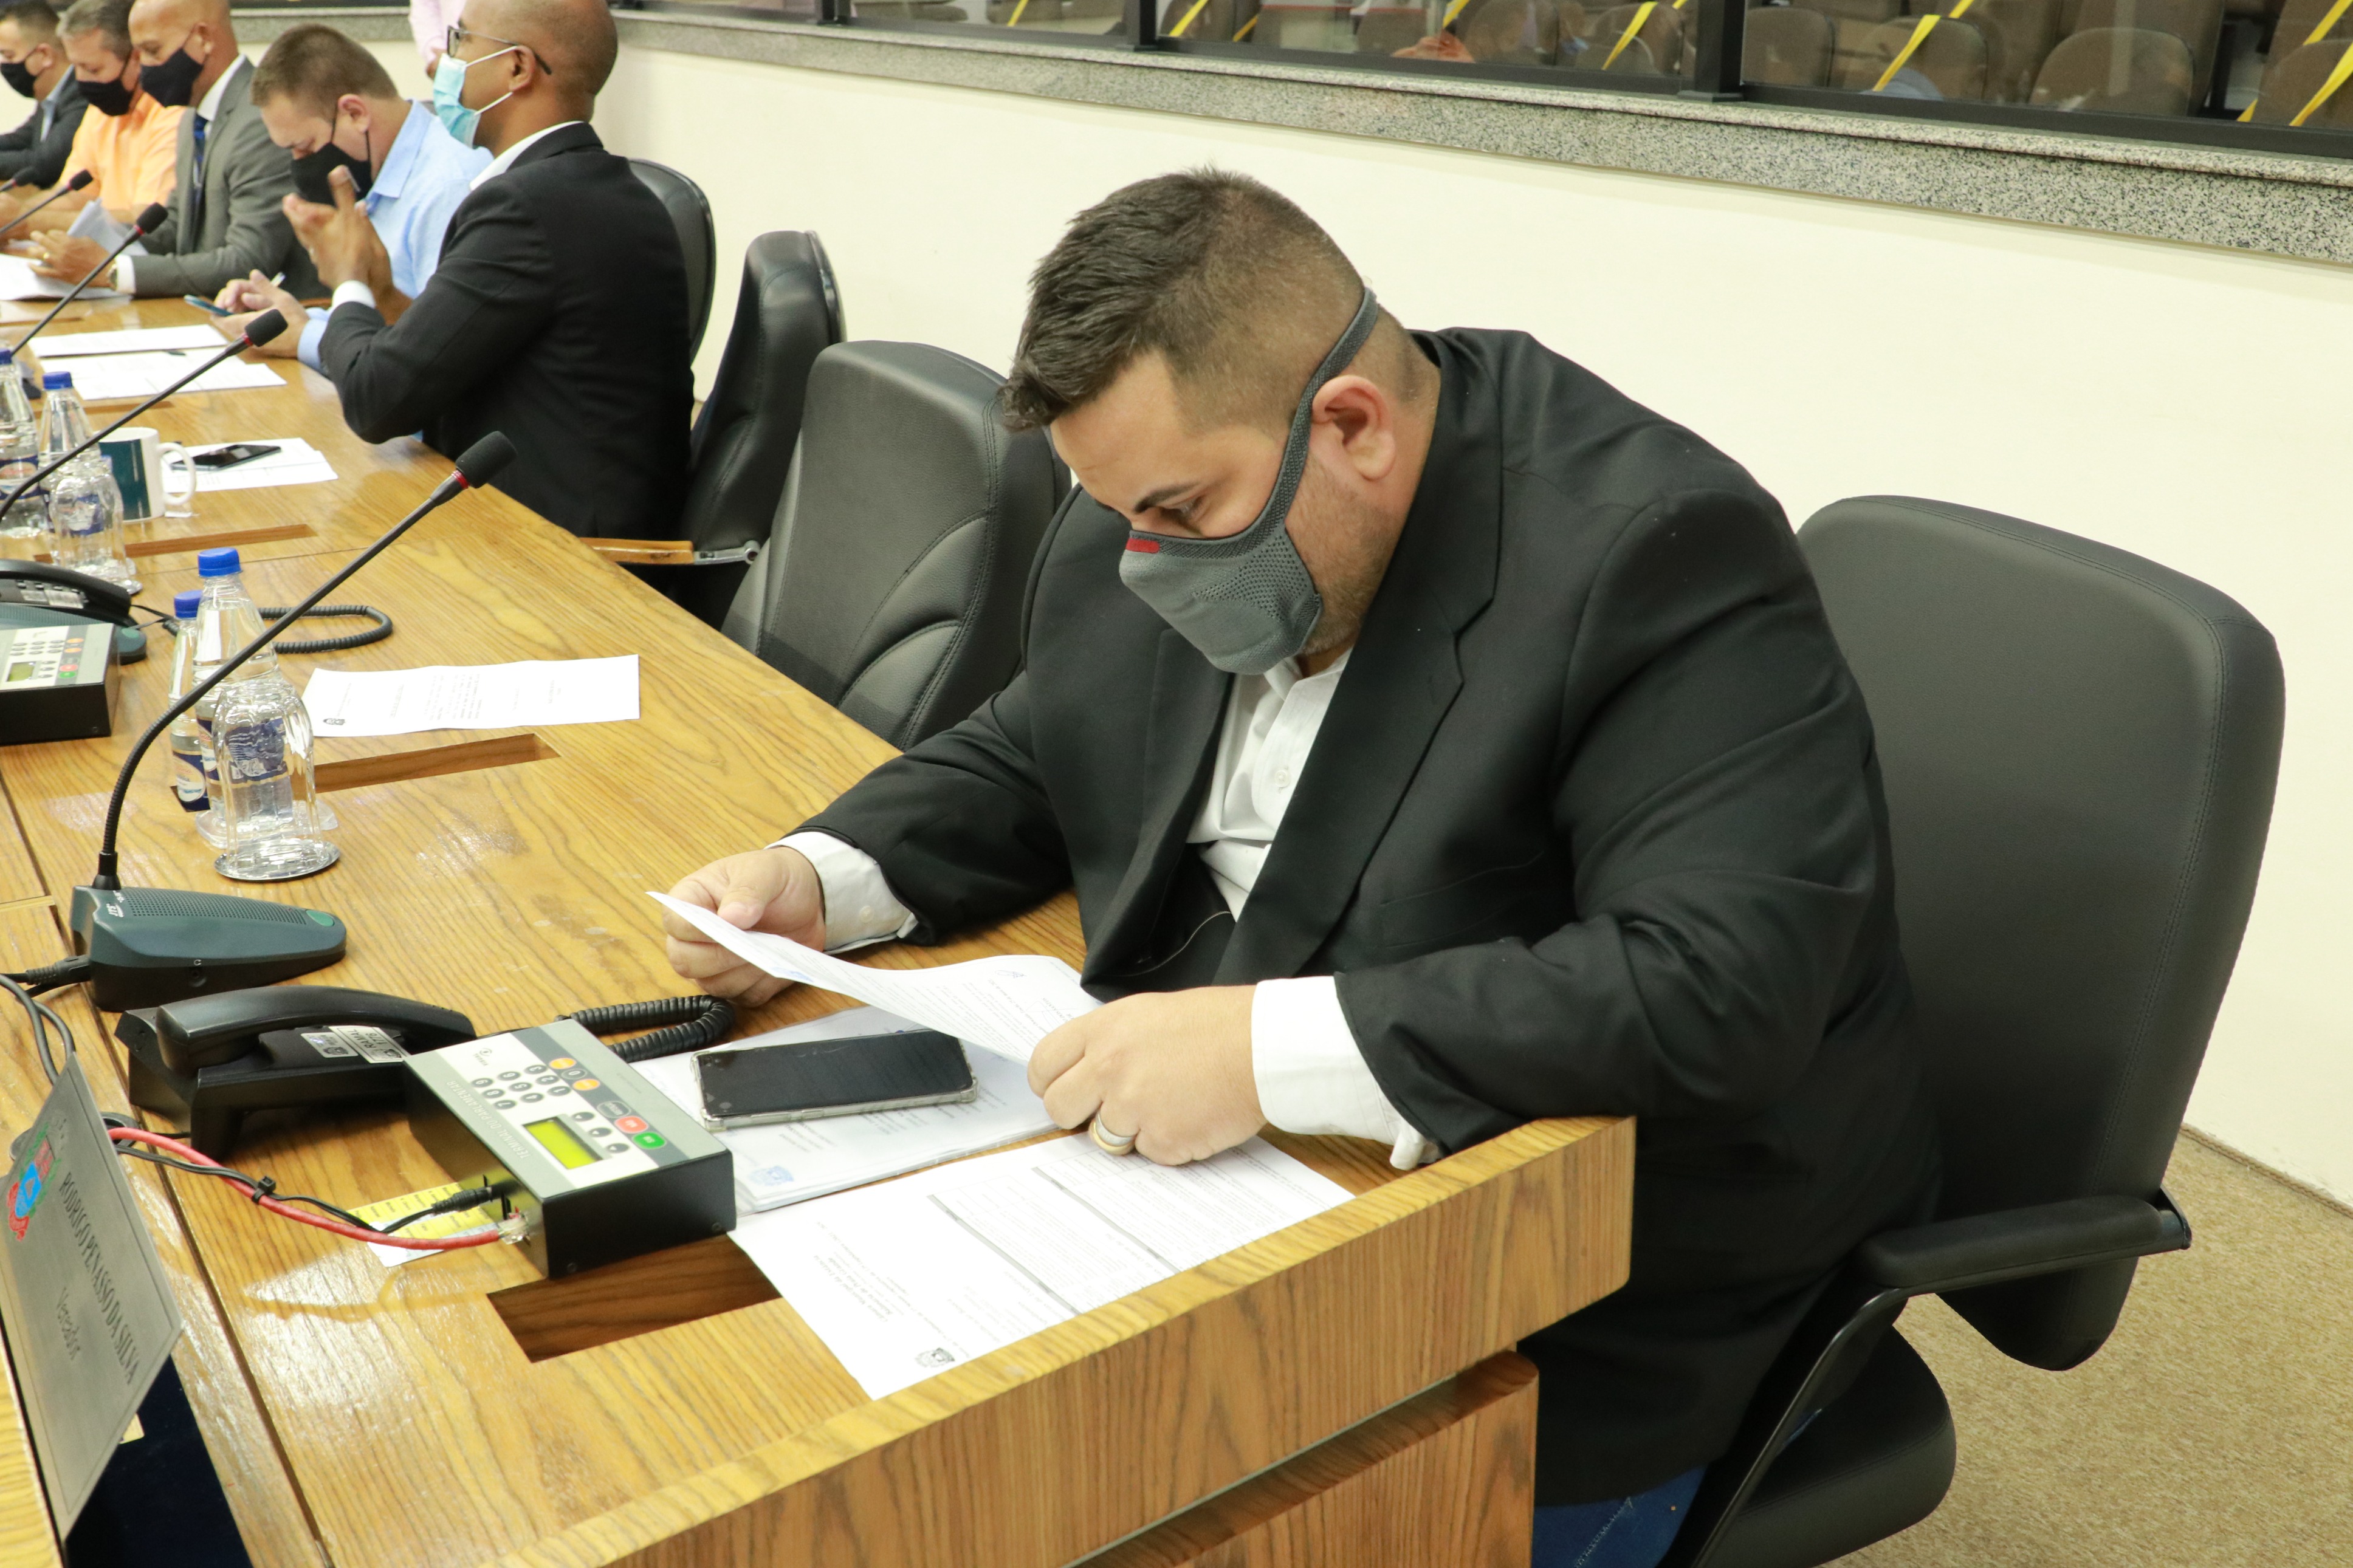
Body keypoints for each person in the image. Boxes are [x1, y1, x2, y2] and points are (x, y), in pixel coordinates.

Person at [659, 170, 1940, 1568]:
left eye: (1180, 510)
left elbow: (1716, 987)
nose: (1143, 564)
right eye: (1122, 513)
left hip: (1591, 1292)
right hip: (1246, 1190)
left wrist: (1259, 1051)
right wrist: (821, 874)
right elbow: (1039, 742)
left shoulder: (1653, 553)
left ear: (1352, 426)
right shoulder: (1164, 501)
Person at [256, 0, 690, 539]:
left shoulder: (525, 208)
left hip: (561, 555)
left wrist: (348, 281)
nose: (444, 60)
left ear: (518, 67)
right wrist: (382, 291)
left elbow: (375, 401)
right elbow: (448, 356)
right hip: (535, 522)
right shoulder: (592, 188)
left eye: (461, 40)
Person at [208, 22, 487, 372]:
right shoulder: (377, 175)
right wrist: (292, 318)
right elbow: (377, 319)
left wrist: (306, 337)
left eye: (304, 147)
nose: (299, 165)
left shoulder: (447, 187)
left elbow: (435, 349)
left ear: (355, 113)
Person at [29, 0, 315, 297]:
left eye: (153, 51)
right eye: (139, 54)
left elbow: (247, 261)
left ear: (203, 38)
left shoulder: (260, 118)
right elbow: (175, 228)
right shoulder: (192, 113)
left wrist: (113, 271)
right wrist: (90, 247)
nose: (143, 68)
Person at [0, 0, 174, 242]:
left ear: (136, 59)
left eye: (92, 70)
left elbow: (144, 223)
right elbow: (72, 196)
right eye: (76, 68)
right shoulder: (99, 112)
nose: (81, 81)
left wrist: (24, 221)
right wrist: (15, 214)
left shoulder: (170, 113)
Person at [0, 1, 85, 188]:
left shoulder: (81, 95)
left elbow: (45, 164)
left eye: (9, 56)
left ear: (45, 55)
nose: (4, 65)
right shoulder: (51, 98)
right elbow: (21, 140)